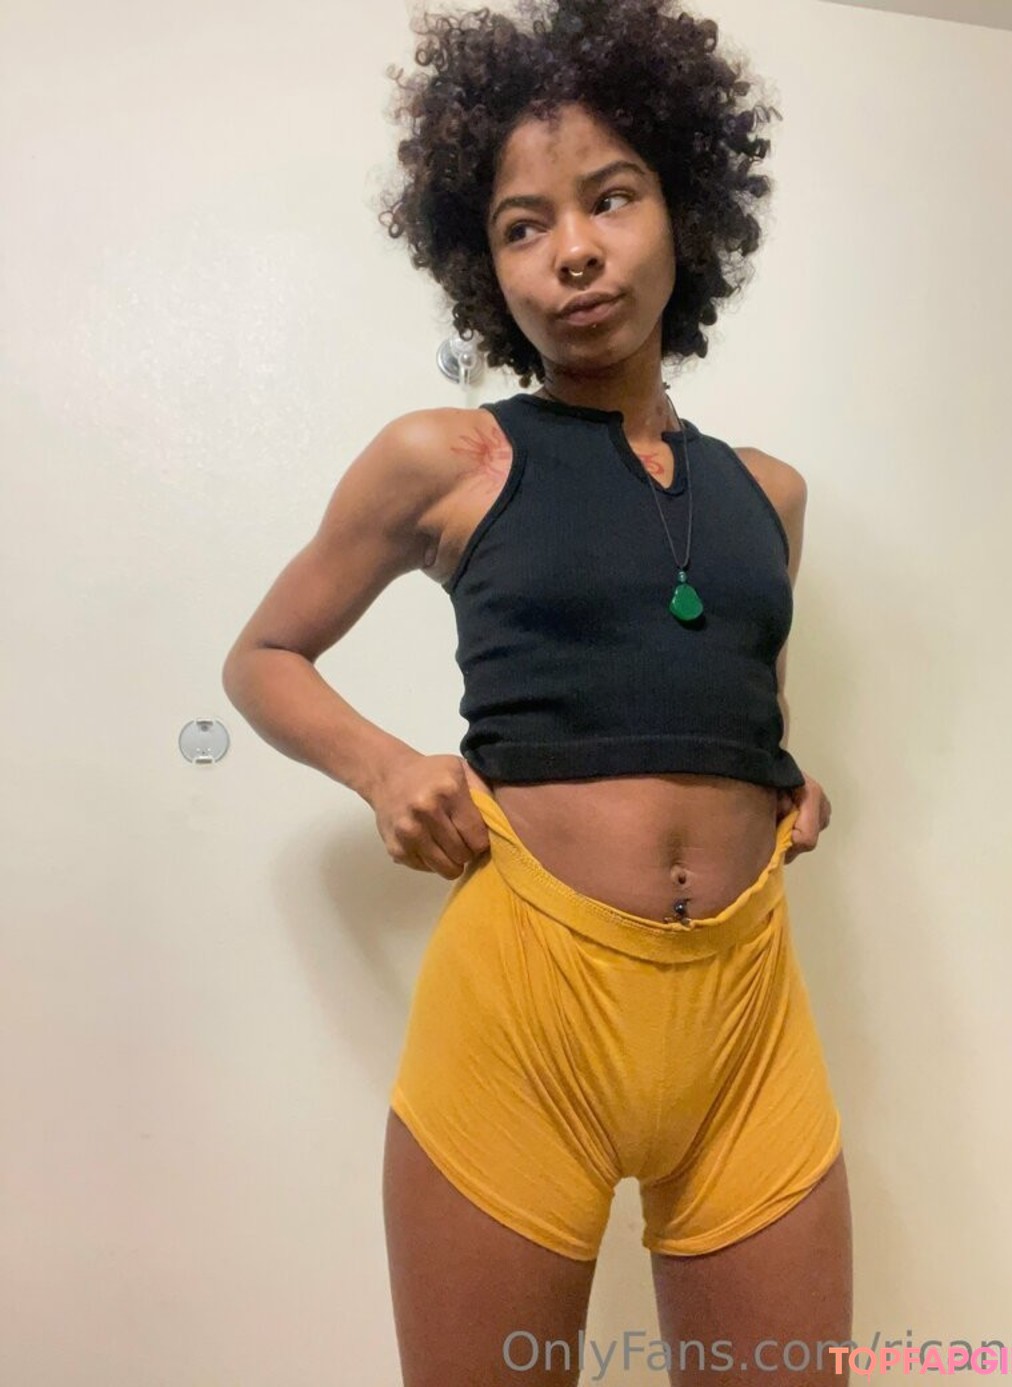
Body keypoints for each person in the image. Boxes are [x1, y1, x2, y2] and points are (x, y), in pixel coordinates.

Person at [222, 0, 852, 1381]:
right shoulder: (448, 459)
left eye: (610, 199)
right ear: (483, 264)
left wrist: (781, 777)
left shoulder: (771, 496)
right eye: (522, 225)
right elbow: (261, 659)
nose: (572, 249)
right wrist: (387, 769)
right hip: (524, 1013)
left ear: (683, 212)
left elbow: (741, 695)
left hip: (748, 1013)